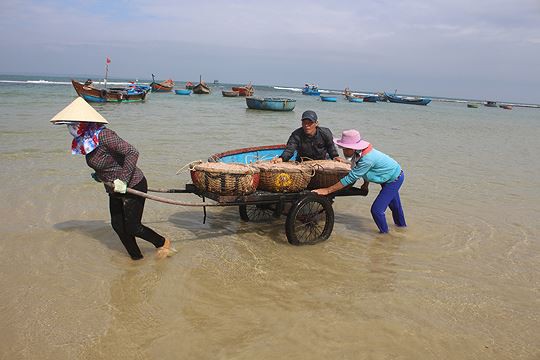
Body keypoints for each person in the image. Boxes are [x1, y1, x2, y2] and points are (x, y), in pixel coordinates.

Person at [50, 97, 176, 260]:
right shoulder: (86, 139)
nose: (71, 128)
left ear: (85, 122)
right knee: (118, 226)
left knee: (133, 227)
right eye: (69, 124)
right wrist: (100, 174)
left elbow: (132, 152)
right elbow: (104, 161)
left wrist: (123, 180)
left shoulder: (103, 135)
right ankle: (136, 259)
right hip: (113, 188)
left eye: (73, 124)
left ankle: (163, 243)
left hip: (133, 184)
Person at [312, 129, 406, 233]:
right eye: (343, 148)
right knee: (395, 207)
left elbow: (351, 177)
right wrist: (365, 184)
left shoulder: (367, 159)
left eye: (346, 149)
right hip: (387, 176)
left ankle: (385, 235)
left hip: (394, 179)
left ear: (353, 148)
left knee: (377, 210)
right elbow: (365, 169)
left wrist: (327, 190)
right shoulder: (359, 154)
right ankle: (402, 230)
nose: (344, 151)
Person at [272, 110, 344, 163]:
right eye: (304, 123)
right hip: (303, 162)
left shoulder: (325, 133)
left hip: (322, 161)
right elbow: (289, 150)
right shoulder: (296, 135)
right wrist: (282, 158)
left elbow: (331, 147)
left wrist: (335, 157)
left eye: (310, 123)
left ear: (316, 123)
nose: (306, 126)